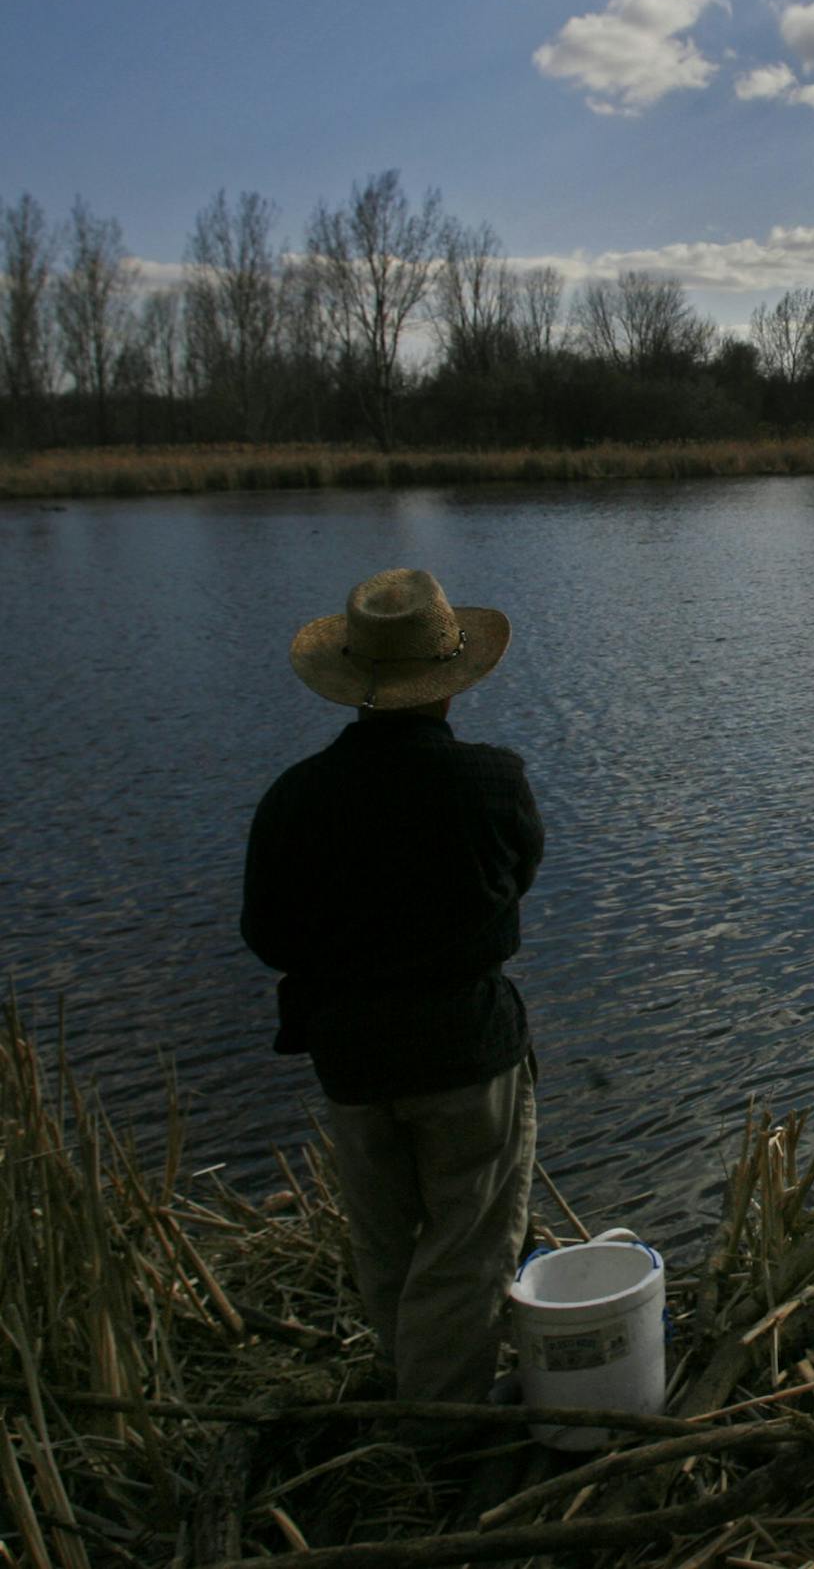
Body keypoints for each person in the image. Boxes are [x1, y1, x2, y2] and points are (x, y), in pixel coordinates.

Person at [242, 567, 545, 1411]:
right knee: (469, 1242)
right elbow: (518, 874)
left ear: (357, 685)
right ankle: (440, 1434)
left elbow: (266, 933)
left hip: (353, 1056)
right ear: (449, 684)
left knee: (387, 1243)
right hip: (466, 1052)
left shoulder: (295, 799)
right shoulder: (491, 782)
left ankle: (411, 1386)